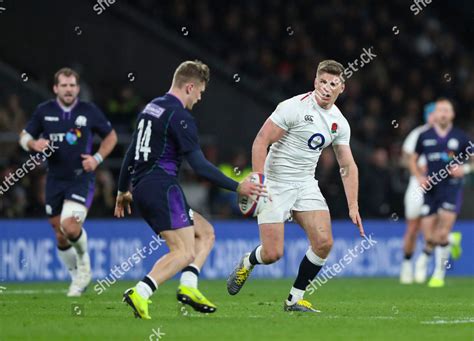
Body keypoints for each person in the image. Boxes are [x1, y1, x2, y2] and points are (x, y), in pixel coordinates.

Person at [115, 60, 265, 319]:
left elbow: (131, 151)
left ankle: (188, 287)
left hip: (143, 187)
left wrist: (121, 190)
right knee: (182, 252)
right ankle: (140, 292)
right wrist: (237, 186)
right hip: (163, 187)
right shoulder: (180, 116)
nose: (199, 98)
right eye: (200, 92)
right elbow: (199, 166)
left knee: (205, 233)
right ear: (190, 86)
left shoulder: (151, 108)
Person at [227, 60, 365, 312]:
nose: (326, 87)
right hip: (275, 183)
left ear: (341, 88)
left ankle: (294, 298)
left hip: (305, 184)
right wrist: (259, 179)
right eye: (322, 81)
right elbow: (261, 141)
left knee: (324, 242)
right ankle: (247, 262)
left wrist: (353, 205)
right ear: (315, 82)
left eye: (333, 83)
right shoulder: (293, 107)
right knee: (272, 254)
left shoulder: (339, 123)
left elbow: (347, 165)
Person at [19, 67, 117, 296]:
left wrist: (97, 158)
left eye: (72, 85)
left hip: (80, 178)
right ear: (55, 88)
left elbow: (110, 136)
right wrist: (34, 145)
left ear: (78, 88)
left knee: (70, 225)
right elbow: (25, 136)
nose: (68, 89)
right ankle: (76, 277)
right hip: (54, 179)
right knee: (60, 234)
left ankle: (84, 267)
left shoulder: (89, 111)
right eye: (64, 85)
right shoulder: (44, 111)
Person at [409, 98, 470, 287]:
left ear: (452, 114)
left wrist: (465, 169)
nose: (443, 113)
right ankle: (450, 240)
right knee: (429, 237)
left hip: (451, 188)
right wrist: (419, 177)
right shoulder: (424, 136)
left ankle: (438, 273)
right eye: (440, 110)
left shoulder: (461, 137)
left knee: (441, 234)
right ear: (434, 114)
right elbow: (413, 159)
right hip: (431, 188)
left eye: (447, 110)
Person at [399, 102, 435, 284]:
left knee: (432, 229)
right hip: (417, 187)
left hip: (438, 188)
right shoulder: (418, 134)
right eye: (432, 114)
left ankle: (423, 261)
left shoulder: (447, 137)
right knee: (413, 228)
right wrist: (419, 173)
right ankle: (407, 265)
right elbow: (404, 159)